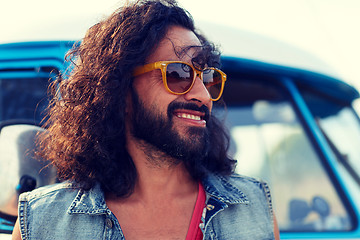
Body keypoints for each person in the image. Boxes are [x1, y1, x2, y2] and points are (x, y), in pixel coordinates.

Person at [12, 0, 280, 239]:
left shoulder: (253, 209)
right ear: (119, 90)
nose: (203, 95)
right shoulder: (42, 223)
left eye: (207, 78)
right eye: (178, 73)